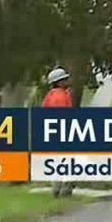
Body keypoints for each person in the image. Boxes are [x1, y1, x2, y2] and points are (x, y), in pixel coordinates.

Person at [41, 67, 74, 197]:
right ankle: (64, 189)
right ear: (58, 82)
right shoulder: (60, 97)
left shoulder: (50, 96)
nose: (67, 81)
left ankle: (56, 188)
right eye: (64, 79)